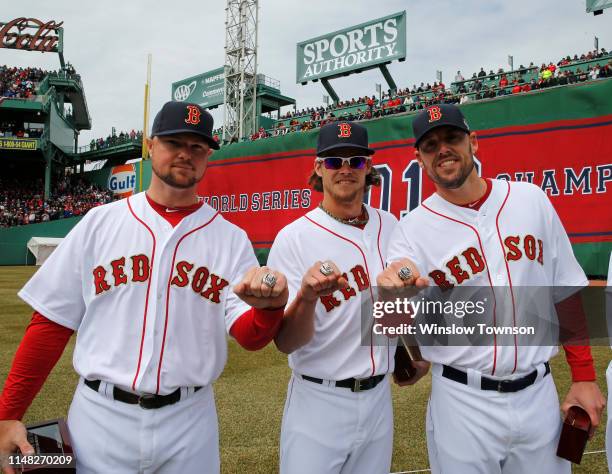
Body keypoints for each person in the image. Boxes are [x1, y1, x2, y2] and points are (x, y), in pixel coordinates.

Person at [0, 101, 289, 474]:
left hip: (190, 422)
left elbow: (249, 337)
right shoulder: (100, 223)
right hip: (99, 418)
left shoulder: (230, 239)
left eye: (197, 147)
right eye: (174, 143)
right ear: (151, 146)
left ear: (207, 157)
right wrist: (8, 414)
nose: (186, 154)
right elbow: (51, 324)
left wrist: (270, 309)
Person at [377, 104, 606, 473]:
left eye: (452, 138)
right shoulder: (411, 229)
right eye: (430, 145)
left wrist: (583, 377)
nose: (443, 150)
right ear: (419, 160)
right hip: (463, 403)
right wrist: (393, 295)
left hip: (538, 397)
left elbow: (567, 291)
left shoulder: (530, 200)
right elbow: (395, 314)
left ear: (474, 142)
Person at [267, 121, 429, 474]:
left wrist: (412, 351)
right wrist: (308, 297)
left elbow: (393, 303)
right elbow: (285, 343)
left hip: (378, 400)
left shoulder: (391, 226)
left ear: (368, 168)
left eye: (355, 161)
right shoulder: (293, 238)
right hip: (318, 401)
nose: (345, 169)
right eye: (333, 161)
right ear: (318, 168)